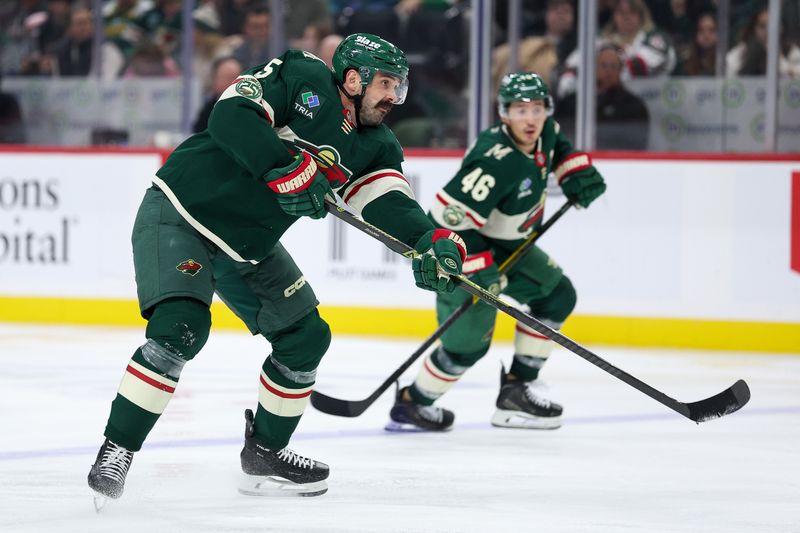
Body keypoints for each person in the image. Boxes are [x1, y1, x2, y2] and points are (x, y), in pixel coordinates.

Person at [87, 32, 466, 504]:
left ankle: (266, 452)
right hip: (183, 211)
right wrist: (282, 167)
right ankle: (117, 448)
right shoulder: (302, 76)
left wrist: (430, 240)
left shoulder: (375, 145)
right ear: (353, 78)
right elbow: (231, 114)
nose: (394, 97)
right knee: (180, 328)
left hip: (248, 244)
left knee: (306, 337)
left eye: (399, 87)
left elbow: (388, 202)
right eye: (386, 84)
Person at [386, 72, 606, 432]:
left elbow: (559, 149)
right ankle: (414, 403)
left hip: (506, 244)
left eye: (537, 108)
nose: (531, 119)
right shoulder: (495, 159)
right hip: (461, 251)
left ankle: (516, 392)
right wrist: (479, 269)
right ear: (504, 114)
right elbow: (443, 220)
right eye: (520, 110)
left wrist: (574, 171)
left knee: (556, 296)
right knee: (466, 346)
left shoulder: (545, 132)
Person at [557, 43, 650, 150]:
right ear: (594, 68)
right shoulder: (572, 103)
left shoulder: (634, 107)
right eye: (604, 65)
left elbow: (636, 145)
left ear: (620, 70)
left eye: (613, 66)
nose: (608, 71)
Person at [192, 56, 243, 132]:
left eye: (236, 78)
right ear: (215, 79)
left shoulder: (249, 109)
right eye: (226, 78)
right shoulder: (208, 109)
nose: (232, 82)